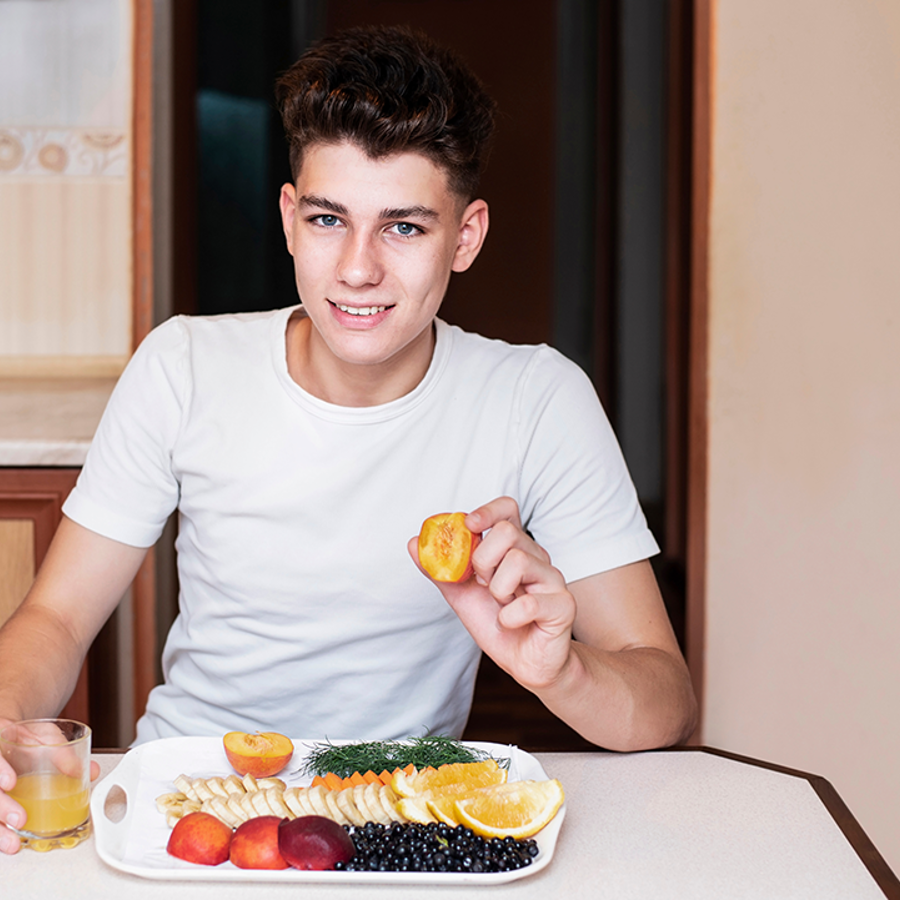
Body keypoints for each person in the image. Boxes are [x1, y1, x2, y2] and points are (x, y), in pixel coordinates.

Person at [0, 24, 696, 854]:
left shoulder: (536, 398)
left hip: (395, 816)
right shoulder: (183, 366)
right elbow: (57, 616)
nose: (358, 269)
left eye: (403, 227)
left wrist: (562, 671)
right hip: (182, 810)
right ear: (290, 219)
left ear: (465, 236)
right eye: (331, 219)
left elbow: (664, 702)